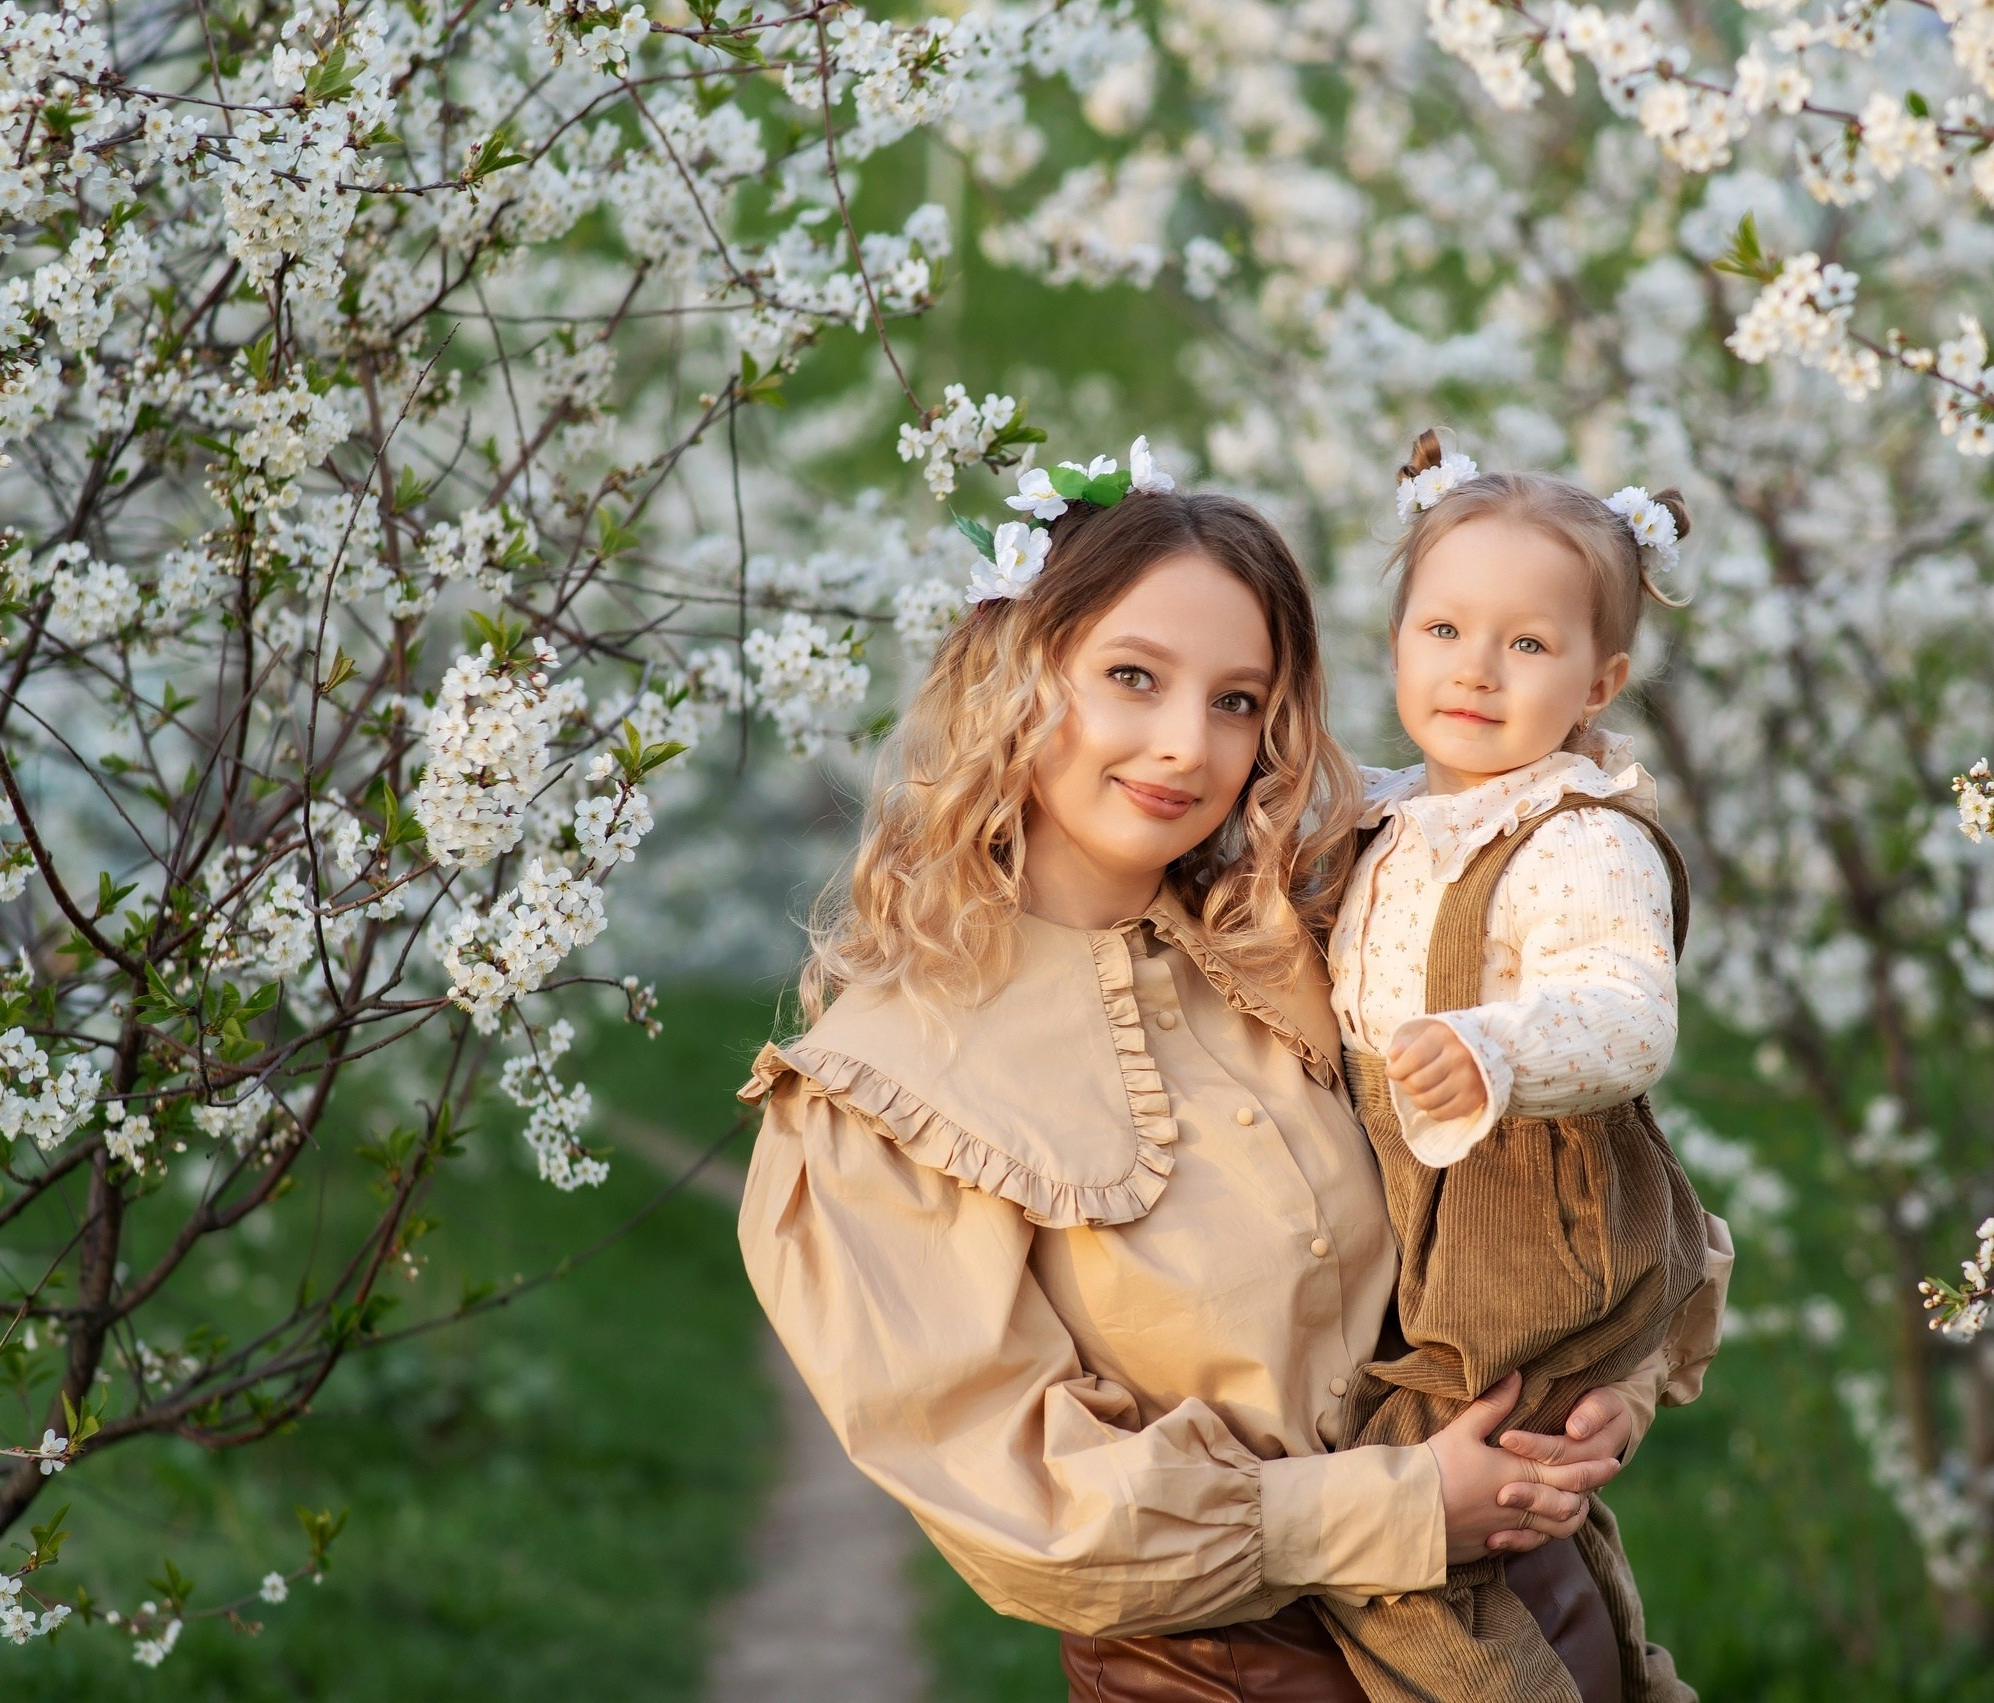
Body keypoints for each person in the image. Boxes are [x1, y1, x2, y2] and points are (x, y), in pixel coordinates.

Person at [735, 445, 1716, 1700]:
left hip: (1545, 1620)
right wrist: (1406, 1504)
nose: (1184, 746)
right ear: (1018, 672)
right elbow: (1028, 1507)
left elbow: (1584, 1184)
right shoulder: (881, 1086)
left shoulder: (1313, 928)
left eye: (1237, 700)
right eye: (1132, 677)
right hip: (1235, 1672)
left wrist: (1610, 1386)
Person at [1312, 432, 1734, 1703]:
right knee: (1526, 1495)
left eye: (1528, 644)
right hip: (1423, 1209)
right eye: (1442, 628)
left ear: (1599, 681)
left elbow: (1627, 1012)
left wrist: (1496, 1044)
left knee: (1412, 1506)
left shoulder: (1576, 838)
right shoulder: (1383, 811)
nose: (1475, 669)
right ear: (1395, 639)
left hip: (1520, 1213)